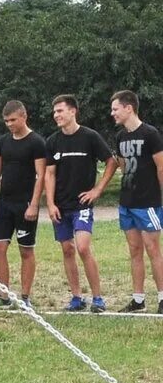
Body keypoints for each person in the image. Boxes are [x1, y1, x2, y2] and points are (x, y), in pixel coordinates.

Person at [44, 94, 117, 313]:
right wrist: (50, 203)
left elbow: (111, 161)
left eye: (60, 111)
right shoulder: (53, 141)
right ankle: (77, 298)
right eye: (54, 112)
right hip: (60, 205)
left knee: (83, 247)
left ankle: (98, 299)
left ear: (73, 111)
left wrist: (98, 190)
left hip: (82, 204)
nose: (56, 115)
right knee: (67, 249)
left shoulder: (90, 137)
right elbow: (49, 174)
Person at [0, 100, 47, 308]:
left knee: (25, 251)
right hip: (4, 203)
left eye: (13, 120)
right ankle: (3, 294)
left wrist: (34, 204)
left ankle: (25, 297)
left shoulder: (36, 142)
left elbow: (41, 175)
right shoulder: (3, 141)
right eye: (6, 121)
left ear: (24, 117)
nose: (9, 124)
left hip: (25, 204)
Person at [109, 90, 163, 314]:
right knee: (134, 250)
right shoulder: (121, 137)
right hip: (127, 202)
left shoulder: (150, 134)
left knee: (153, 249)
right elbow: (122, 165)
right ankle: (138, 299)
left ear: (128, 108)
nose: (112, 113)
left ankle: (162, 297)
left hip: (148, 202)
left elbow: (161, 167)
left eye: (115, 109)